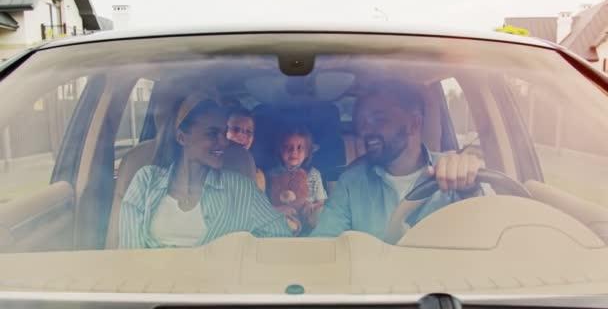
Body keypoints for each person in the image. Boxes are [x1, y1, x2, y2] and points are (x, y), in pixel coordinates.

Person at [310, 80, 484, 243]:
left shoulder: (454, 173)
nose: (364, 131)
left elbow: (491, 236)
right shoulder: (350, 183)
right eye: (360, 123)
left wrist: (470, 189)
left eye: (378, 119)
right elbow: (324, 247)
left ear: (413, 124)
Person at [118, 95, 291, 249]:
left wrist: (242, 258)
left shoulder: (242, 189)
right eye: (212, 134)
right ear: (182, 137)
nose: (223, 142)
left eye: (224, 133)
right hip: (153, 284)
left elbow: (281, 237)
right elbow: (129, 254)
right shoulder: (146, 181)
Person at [267, 126, 327, 236]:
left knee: (322, 214)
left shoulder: (313, 174)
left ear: (307, 152)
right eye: (287, 147)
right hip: (285, 215)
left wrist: (311, 207)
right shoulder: (272, 174)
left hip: (308, 215)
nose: (294, 151)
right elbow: (268, 202)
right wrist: (279, 210)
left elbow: (321, 201)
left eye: (300, 148)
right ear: (280, 150)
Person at [226, 108, 266, 191]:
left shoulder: (258, 175)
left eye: (248, 131)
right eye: (235, 129)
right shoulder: (210, 165)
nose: (242, 135)